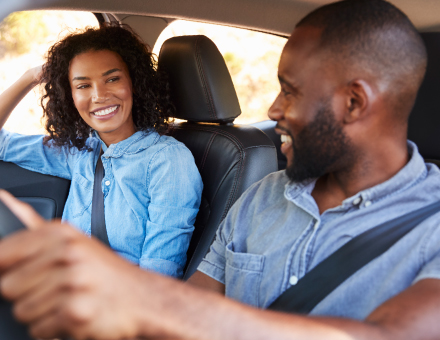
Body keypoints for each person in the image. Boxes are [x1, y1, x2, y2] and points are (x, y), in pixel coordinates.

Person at [1, 0, 440, 339]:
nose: (272, 110)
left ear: (354, 102)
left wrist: (135, 295)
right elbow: (188, 309)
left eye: (290, 92)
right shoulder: (263, 197)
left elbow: (391, 335)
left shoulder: (432, 225)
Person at [0, 24, 203, 278]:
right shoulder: (80, 149)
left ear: (135, 84)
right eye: (83, 85)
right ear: (69, 97)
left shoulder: (168, 160)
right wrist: (29, 78)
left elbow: (158, 277)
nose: (99, 95)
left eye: (112, 79)